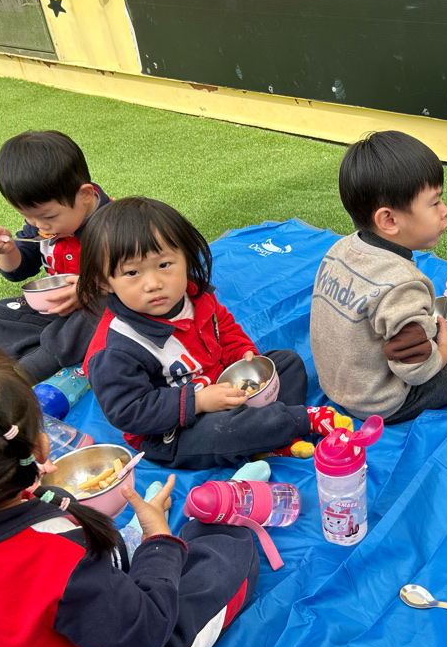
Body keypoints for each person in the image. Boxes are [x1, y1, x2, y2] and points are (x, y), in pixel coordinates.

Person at [0, 336, 261, 647]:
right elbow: (145, 634)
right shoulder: (55, 556)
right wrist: (158, 543)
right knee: (229, 552)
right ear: (40, 446)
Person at [78, 197, 341, 469]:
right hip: (172, 431)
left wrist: (242, 354)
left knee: (286, 363)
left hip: (220, 387)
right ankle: (293, 422)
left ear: (186, 257)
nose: (153, 283)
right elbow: (131, 411)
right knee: (222, 430)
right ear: (104, 281)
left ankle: (270, 438)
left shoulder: (194, 296)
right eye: (132, 272)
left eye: (164, 265)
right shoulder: (114, 348)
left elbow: (223, 327)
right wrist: (198, 402)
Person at [309, 130, 447, 423]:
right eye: (435, 202)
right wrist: (445, 347)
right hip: (382, 401)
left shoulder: (339, 248)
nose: (445, 210)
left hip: (337, 383)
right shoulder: (402, 284)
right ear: (389, 220)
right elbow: (417, 371)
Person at [0, 130, 111, 382]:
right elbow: (20, 270)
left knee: (99, 313)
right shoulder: (42, 225)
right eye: (27, 216)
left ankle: (34, 365)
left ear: (84, 195)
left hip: (97, 310)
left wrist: (89, 290)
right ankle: (56, 350)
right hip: (59, 312)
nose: (38, 225)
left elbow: (136, 280)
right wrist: (7, 251)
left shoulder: (116, 226)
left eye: (48, 217)